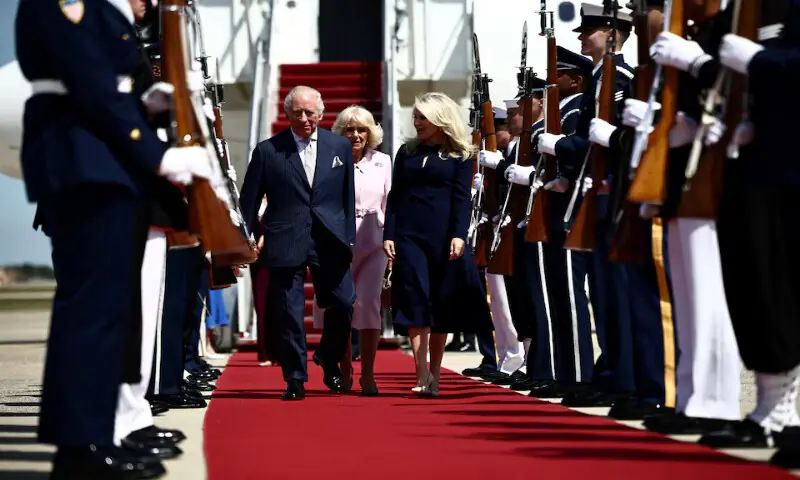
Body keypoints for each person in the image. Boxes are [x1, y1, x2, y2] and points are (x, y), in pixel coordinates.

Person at [16, 0, 213, 476]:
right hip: (85, 161)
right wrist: (156, 154)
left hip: (104, 163)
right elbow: (87, 80)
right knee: (92, 312)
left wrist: (149, 104)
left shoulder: (106, 13)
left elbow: (110, 85)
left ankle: (93, 436)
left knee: (109, 314)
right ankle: (79, 445)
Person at [239, 85, 356, 401]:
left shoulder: (340, 146)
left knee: (344, 303)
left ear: (320, 113)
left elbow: (346, 197)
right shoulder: (268, 150)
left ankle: (328, 357)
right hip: (285, 239)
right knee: (289, 312)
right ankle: (294, 377)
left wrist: (350, 238)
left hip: (330, 239)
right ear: (287, 113)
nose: (305, 118)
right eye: (298, 112)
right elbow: (248, 201)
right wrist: (243, 239)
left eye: (310, 112)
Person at [383, 92, 492, 396]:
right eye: (415, 117)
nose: (416, 123)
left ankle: (435, 373)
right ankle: (419, 373)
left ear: (440, 119)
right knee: (416, 300)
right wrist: (388, 235)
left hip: (444, 238)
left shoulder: (460, 154)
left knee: (441, 306)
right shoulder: (406, 153)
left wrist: (459, 235)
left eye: (422, 117)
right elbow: (395, 197)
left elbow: (461, 199)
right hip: (409, 237)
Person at [312, 105, 391, 396]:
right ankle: (344, 370)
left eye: (361, 129)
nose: (355, 135)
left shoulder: (383, 161)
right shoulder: (328, 161)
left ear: (370, 132)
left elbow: (389, 203)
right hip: (337, 243)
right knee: (341, 307)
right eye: (349, 129)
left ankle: (368, 375)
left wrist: (391, 240)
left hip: (373, 242)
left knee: (368, 304)